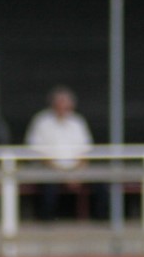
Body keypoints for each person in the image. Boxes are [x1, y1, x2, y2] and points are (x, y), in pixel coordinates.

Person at [25, 85, 106, 221]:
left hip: (76, 169)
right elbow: (37, 153)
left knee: (101, 183)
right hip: (49, 169)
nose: (63, 108)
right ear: (53, 104)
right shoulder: (41, 121)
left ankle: (100, 220)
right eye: (60, 104)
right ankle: (46, 222)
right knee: (48, 185)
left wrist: (75, 172)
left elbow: (85, 152)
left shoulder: (78, 122)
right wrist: (62, 174)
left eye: (66, 104)